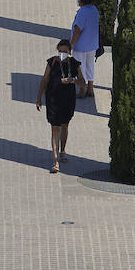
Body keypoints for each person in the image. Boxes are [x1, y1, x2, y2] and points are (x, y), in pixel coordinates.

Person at [36, 38, 86, 172]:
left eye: (64, 51)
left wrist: (72, 80)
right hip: (53, 99)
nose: (61, 54)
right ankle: (55, 160)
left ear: (69, 52)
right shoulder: (52, 62)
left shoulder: (74, 64)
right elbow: (45, 79)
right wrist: (39, 97)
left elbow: (83, 83)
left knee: (65, 125)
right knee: (54, 128)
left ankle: (63, 150)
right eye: (60, 51)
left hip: (68, 100)